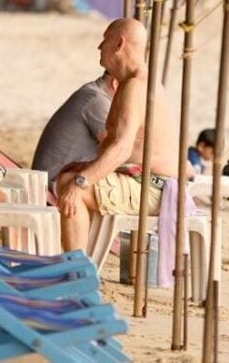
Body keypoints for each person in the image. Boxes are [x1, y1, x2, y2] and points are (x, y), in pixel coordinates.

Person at [56, 18, 181, 251]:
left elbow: (122, 148)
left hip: (152, 187)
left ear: (119, 44)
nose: (99, 46)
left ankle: (76, 274)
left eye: (105, 40)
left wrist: (82, 181)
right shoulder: (131, 82)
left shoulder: (136, 86)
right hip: (143, 180)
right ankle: (79, 266)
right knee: (71, 176)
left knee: (72, 187)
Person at [32, 71, 117, 193]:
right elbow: (118, 151)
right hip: (53, 185)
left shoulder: (93, 93)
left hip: (51, 179)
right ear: (116, 83)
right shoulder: (97, 100)